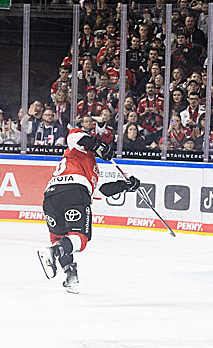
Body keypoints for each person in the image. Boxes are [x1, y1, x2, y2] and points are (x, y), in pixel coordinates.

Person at [37, 124, 140, 292]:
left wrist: (125, 185)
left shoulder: (92, 168)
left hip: (51, 196)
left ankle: (70, 275)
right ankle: (53, 252)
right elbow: (77, 137)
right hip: (74, 192)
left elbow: (99, 192)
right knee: (81, 238)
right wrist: (99, 145)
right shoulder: (78, 146)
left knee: (60, 237)